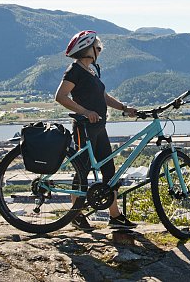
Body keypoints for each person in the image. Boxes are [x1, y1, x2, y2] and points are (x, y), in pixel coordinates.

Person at [55, 30, 138, 231]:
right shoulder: (74, 71)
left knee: (109, 171)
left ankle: (115, 216)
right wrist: (85, 111)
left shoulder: (90, 71)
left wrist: (125, 109)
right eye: (98, 48)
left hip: (99, 128)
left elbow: (104, 96)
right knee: (82, 172)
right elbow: (61, 96)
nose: (100, 51)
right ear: (88, 49)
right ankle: (76, 214)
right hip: (84, 128)